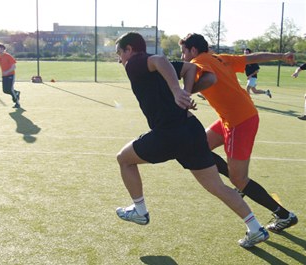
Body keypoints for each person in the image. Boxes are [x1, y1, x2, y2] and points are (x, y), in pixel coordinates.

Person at [114, 32, 269, 248]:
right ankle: (255, 228)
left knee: (124, 159)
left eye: (119, 53)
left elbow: (159, 60)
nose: (119, 59)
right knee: (218, 187)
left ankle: (139, 210)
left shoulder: (135, 62)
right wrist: (186, 93)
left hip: (169, 133)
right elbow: (191, 68)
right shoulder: (149, 65)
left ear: (129, 49)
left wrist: (179, 91)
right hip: (191, 130)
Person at [178, 33, 298, 235]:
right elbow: (253, 58)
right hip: (235, 117)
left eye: (184, 52)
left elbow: (210, 78)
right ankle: (239, 185)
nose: (183, 57)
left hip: (238, 122)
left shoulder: (198, 61)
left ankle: (284, 215)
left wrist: (186, 92)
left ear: (193, 50)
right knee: (197, 146)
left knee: (239, 179)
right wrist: (281, 55)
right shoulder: (219, 57)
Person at [0, 43, 21, 108]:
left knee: (10, 89)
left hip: (11, 75)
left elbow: (14, 67)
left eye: (1, 49)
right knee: (5, 90)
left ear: (4, 49)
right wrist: (4, 73)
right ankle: (16, 93)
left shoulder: (8, 56)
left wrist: (7, 72)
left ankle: (17, 103)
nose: (0, 50)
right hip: (4, 75)